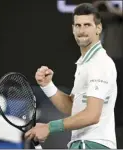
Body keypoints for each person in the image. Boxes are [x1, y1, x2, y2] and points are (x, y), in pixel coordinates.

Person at [25, 3, 117, 149]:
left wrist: (50, 127)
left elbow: (92, 115)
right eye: (78, 25)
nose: (82, 30)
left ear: (98, 28)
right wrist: (48, 86)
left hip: (93, 145)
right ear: (73, 29)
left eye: (87, 25)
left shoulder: (99, 63)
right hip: (82, 144)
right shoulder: (85, 63)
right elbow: (72, 109)